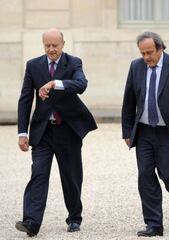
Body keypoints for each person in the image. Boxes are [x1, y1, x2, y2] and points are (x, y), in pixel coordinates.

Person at [16, 28, 97, 237]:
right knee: (38, 174)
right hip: (43, 131)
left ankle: (74, 218)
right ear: (43, 45)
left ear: (63, 44)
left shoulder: (74, 62)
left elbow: (81, 84)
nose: (51, 49)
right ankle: (31, 222)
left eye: (55, 45)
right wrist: (22, 132)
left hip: (68, 130)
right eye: (47, 46)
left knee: (71, 176)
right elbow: (25, 99)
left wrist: (55, 84)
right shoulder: (33, 65)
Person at [121, 31, 169, 237]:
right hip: (144, 130)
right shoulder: (136, 67)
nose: (146, 58)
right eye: (143, 53)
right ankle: (154, 224)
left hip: (168, 132)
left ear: (161, 48)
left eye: (150, 53)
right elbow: (129, 101)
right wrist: (127, 130)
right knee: (145, 175)